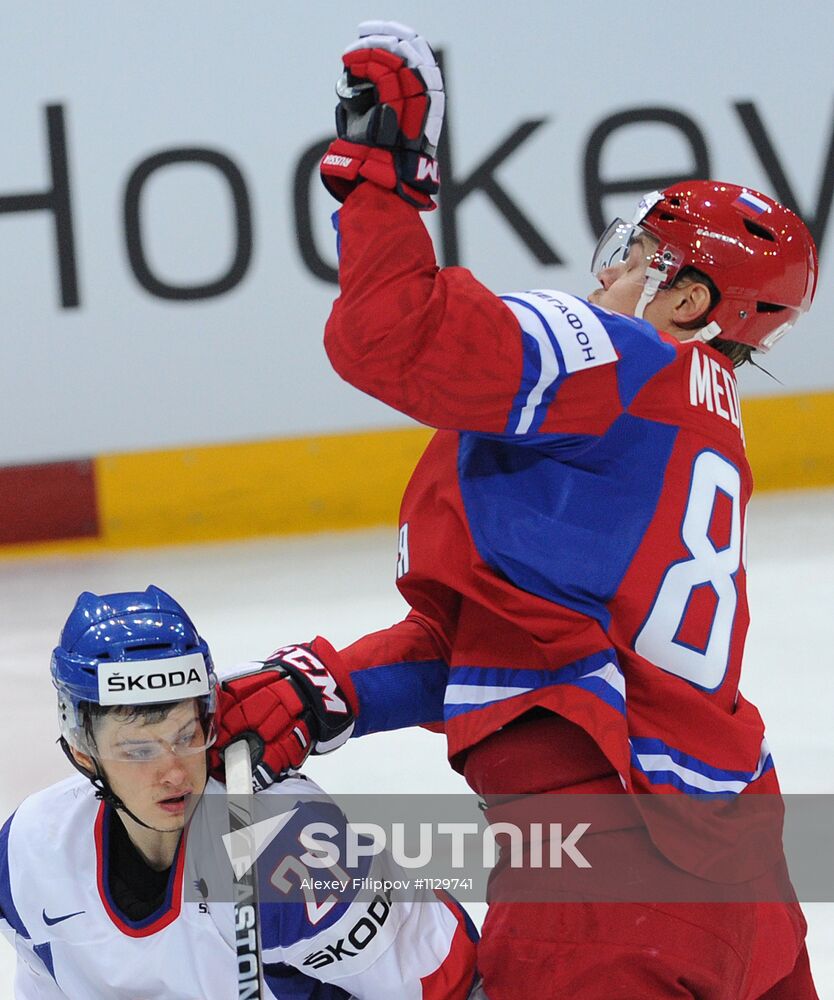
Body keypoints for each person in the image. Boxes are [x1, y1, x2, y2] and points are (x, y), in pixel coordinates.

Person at [211, 21, 820, 999]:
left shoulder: (619, 358)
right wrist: (338, 691)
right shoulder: (705, 426)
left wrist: (385, 179)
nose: (609, 274)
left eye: (643, 256)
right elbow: (534, 640)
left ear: (692, 299)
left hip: (598, 885)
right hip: (749, 872)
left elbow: (389, 337)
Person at [0, 586, 479, 999]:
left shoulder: (291, 847)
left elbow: (448, 983)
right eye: (138, 750)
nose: (173, 772)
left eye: (187, 735)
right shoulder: (31, 852)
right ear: (83, 753)